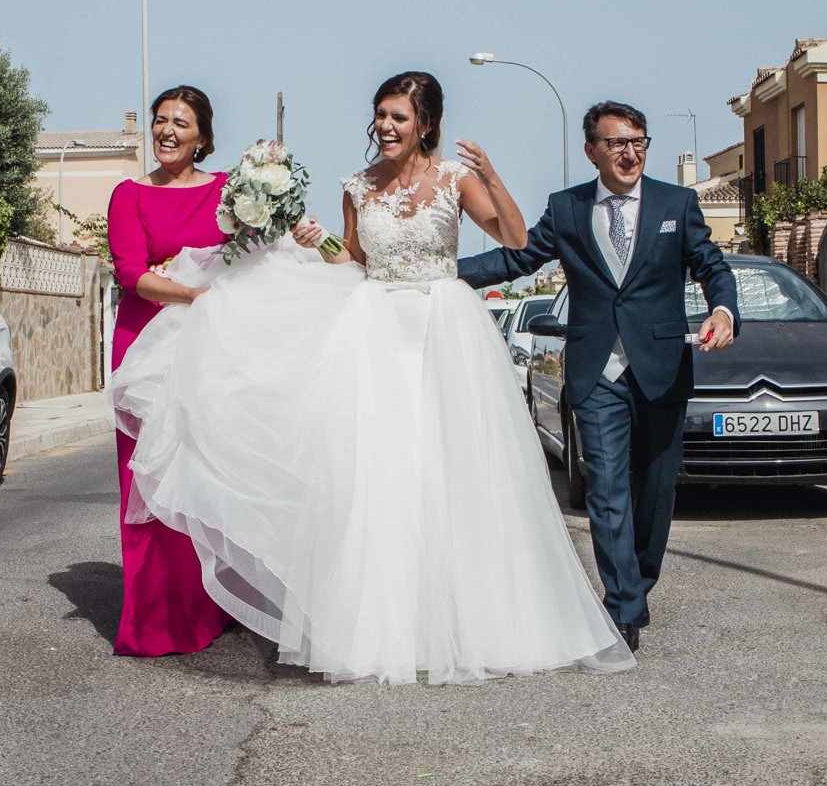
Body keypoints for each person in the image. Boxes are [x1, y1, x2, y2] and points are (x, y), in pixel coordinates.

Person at [112, 72, 634, 684]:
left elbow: (516, 240)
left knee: (457, 469)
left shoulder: (454, 180)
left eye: (398, 118)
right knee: (384, 474)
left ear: (425, 126)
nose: (385, 127)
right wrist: (319, 241)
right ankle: (390, 625)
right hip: (377, 327)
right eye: (380, 116)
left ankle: (482, 618)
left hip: (446, 326)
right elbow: (353, 261)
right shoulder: (356, 186)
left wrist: (491, 177)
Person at [457, 100, 741, 653]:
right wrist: (439, 271)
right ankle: (623, 609)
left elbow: (711, 264)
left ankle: (637, 580)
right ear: (592, 150)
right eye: (617, 143)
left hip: (661, 367)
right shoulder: (566, 209)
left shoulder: (676, 203)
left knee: (654, 491)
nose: (630, 152)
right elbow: (518, 259)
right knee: (607, 490)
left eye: (639, 141)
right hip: (597, 372)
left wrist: (724, 309)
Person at [103, 85, 234, 657]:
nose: (167, 131)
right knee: (146, 476)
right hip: (143, 343)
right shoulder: (127, 193)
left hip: (209, 344)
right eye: (160, 121)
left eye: (181, 123)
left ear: (202, 136)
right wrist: (190, 292)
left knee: (203, 469)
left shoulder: (231, 193)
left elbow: (250, 259)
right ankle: (153, 617)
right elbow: (132, 273)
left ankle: (209, 603)